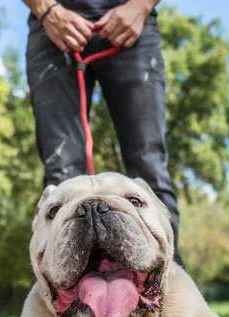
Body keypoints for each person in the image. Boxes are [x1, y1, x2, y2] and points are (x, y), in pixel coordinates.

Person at [23, 0, 183, 264]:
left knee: (149, 171)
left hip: (133, 23)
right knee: (61, 177)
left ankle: (165, 292)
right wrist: (47, 10)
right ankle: (68, 293)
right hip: (51, 26)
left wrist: (140, 6)